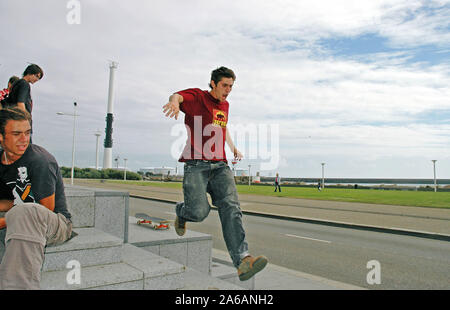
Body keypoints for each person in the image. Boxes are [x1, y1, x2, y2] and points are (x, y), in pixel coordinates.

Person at [162, 66, 268, 281]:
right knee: (199, 212)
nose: (228, 90)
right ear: (213, 83)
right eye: (224, 85)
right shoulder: (198, 97)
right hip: (196, 165)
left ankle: (242, 261)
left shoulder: (225, 105)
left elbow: (223, 127)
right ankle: (182, 212)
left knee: (231, 207)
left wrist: (233, 147)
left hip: (219, 165)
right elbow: (178, 96)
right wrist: (174, 102)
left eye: (231, 86)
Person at [0, 108, 73, 290]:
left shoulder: (40, 161)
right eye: (17, 134)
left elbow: (43, 211)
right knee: (20, 212)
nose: (24, 139)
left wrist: (2, 221)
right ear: (1, 137)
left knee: (26, 213)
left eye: (27, 133)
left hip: (55, 223)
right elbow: (7, 202)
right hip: (20, 214)